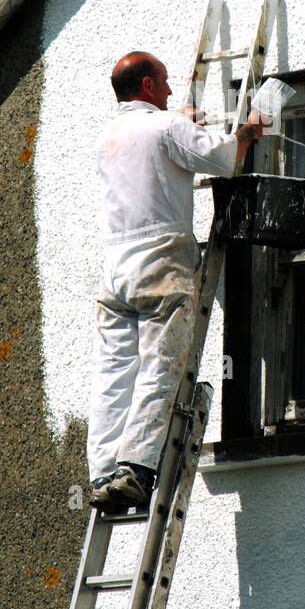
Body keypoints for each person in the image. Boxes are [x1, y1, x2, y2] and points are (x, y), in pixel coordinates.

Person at [88, 51, 267, 510]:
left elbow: (158, 149)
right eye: (164, 83)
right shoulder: (166, 128)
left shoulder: (109, 137)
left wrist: (183, 122)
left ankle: (102, 472)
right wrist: (244, 133)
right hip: (160, 262)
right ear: (147, 86)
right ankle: (135, 470)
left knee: (114, 373)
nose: (170, 91)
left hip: (115, 272)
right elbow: (223, 158)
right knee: (159, 364)